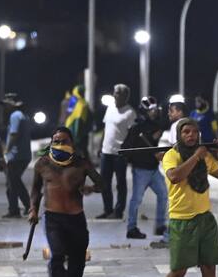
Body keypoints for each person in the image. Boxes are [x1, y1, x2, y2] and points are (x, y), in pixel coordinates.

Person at [154, 117, 218, 277]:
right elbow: (175, 176)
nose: (191, 135)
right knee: (179, 272)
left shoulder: (204, 155)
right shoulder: (172, 155)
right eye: (186, 132)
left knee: (209, 268)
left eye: (194, 132)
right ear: (179, 135)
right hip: (181, 220)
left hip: (205, 218)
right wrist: (197, 157)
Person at [28, 127, 101, 277]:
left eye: (64, 141)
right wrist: (33, 209)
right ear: (51, 144)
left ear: (72, 144)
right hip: (53, 219)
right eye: (56, 141)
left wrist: (90, 188)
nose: (60, 145)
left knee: (78, 261)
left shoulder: (81, 163)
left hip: (76, 219)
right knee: (57, 256)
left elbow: (102, 184)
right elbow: (36, 190)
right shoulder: (43, 164)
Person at [123, 96, 169, 241]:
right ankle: (131, 228)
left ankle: (160, 225)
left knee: (163, 194)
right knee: (136, 199)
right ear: (144, 111)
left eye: (156, 110)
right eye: (151, 110)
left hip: (154, 170)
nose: (154, 113)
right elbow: (126, 147)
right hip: (141, 170)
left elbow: (163, 124)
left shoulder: (156, 125)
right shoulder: (136, 128)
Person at [97, 83, 134, 219]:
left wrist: (126, 149)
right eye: (115, 92)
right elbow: (105, 128)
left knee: (120, 183)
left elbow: (132, 134)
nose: (115, 95)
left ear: (125, 96)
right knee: (104, 182)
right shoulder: (110, 108)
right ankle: (107, 210)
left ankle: (118, 211)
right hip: (106, 152)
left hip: (119, 154)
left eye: (118, 93)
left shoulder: (130, 112)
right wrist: (100, 146)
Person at [3, 94, 33, 218]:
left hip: (16, 155)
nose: (4, 107)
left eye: (6, 104)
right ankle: (15, 208)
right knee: (13, 182)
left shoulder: (14, 116)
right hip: (24, 154)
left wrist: (6, 151)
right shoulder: (24, 116)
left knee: (13, 182)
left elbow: (14, 135)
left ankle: (25, 207)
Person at [63, 84, 91, 153]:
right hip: (76, 128)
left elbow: (68, 113)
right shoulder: (82, 102)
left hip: (77, 129)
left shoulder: (76, 101)